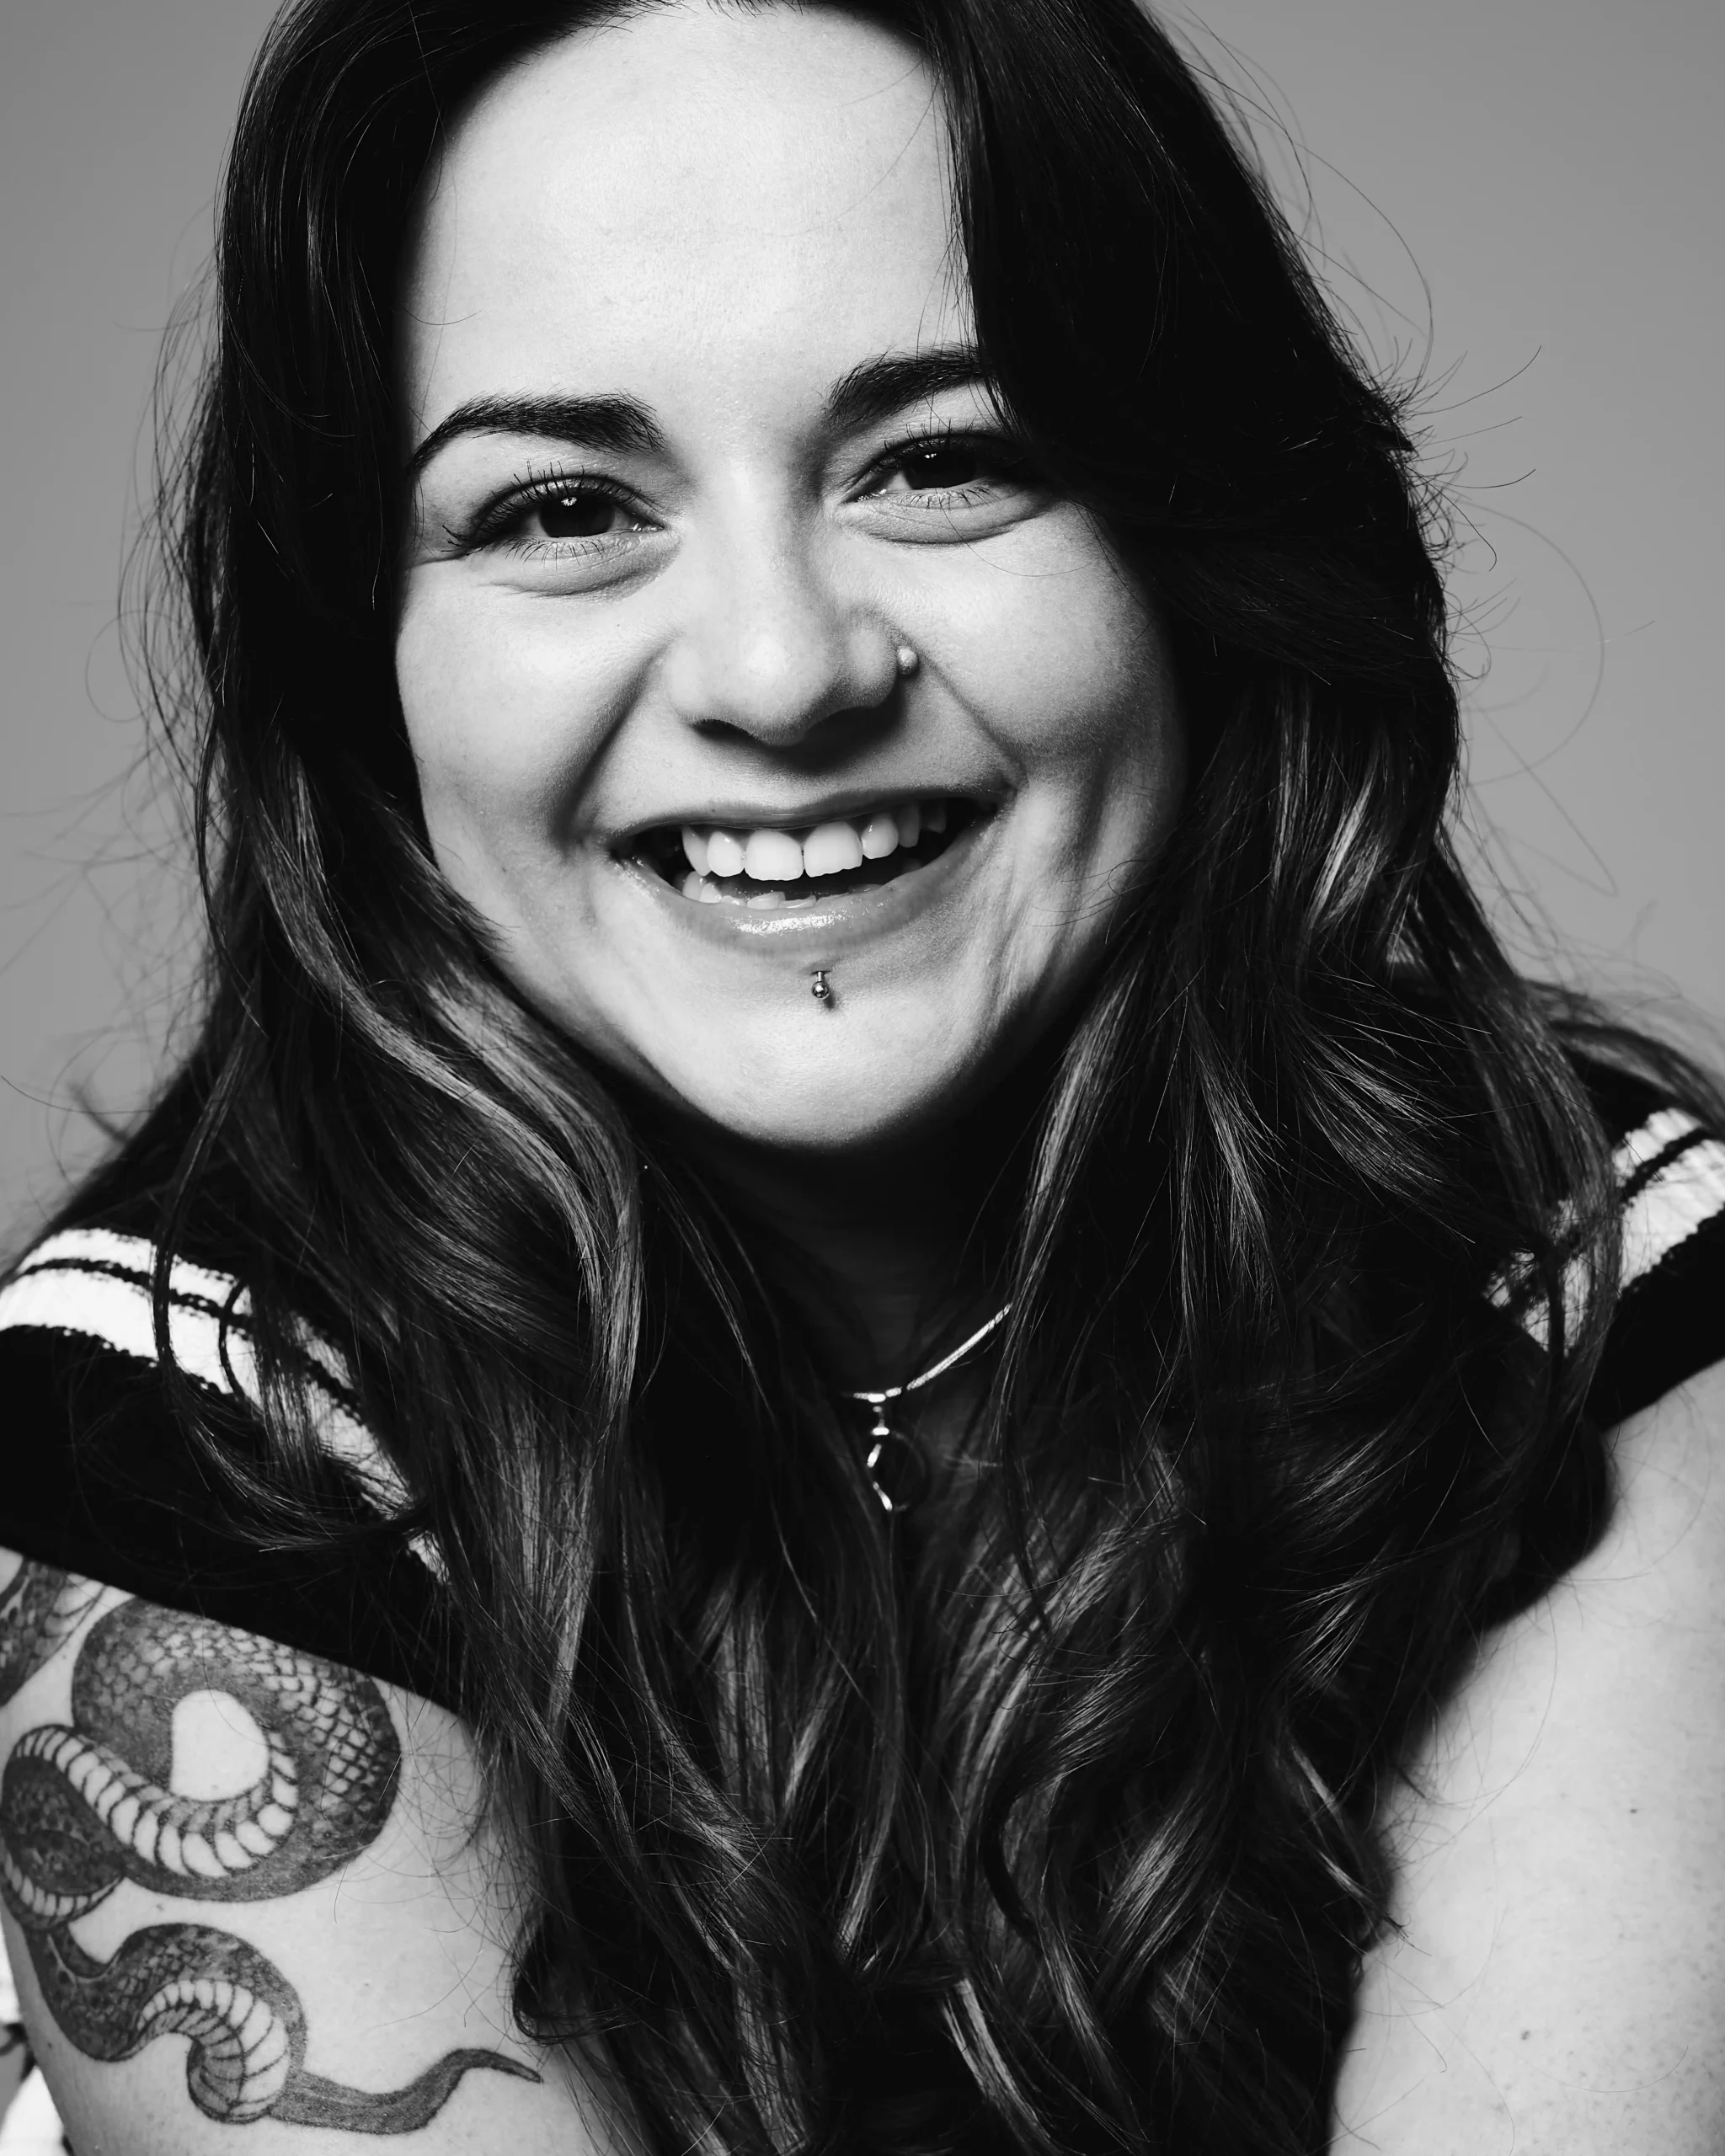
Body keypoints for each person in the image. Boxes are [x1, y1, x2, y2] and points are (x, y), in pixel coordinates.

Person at [1, 1, 1722, 2150]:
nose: (783, 668)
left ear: (1192, 540)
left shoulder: (1592, 1282)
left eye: (942, 460)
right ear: (370, 667)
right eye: (561, 505)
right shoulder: (173, 1440)